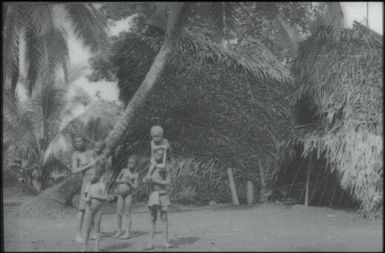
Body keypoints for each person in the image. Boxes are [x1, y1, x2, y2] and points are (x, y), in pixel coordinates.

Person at [144, 148, 174, 249]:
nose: (156, 156)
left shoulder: (165, 168)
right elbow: (146, 181)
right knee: (152, 218)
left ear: (163, 157)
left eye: (159, 155)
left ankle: (165, 241)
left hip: (163, 194)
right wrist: (147, 180)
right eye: (155, 154)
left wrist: (156, 181)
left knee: (164, 218)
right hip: (153, 195)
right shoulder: (151, 168)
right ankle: (150, 242)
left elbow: (168, 182)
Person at [71, 136, 99, 242]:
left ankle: (93, 233)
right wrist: (88, 166)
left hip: (95, 183)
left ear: (84, 142)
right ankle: (78, 234)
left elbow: (98, 164)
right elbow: (74, 170)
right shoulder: (76, 155)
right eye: (76, 141)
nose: (77, 143)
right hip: (86, 183)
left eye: (79, 141)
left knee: (93, 208)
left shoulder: (91, 152)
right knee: (82, 209)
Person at [82, 167, 111, 252]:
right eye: (88, 175)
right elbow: (84, 196)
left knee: (97, 229)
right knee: (87, 228)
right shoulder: (88, 185)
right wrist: (86, 199)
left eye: (91, 174)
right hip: (89, 209)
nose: (89, 176)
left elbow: (106, 197)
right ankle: (84, 247)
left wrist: (96, 196)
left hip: (98, 210)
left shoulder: (101, 185)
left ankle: (97, 247)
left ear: (97, 175)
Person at [112, 155, 139, 239]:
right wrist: (122, 180)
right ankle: (119, 230)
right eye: (128, 163)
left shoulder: (135, 175)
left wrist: (130, 182)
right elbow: (116, 180)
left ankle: (127, 232)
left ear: (135, 165)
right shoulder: (123, 170)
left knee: (127, 213)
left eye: (132, 163)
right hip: (120, 194)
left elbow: (135, 187)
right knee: (119, 213)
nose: (130, 164)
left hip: (128, 195)